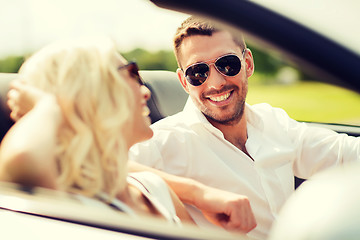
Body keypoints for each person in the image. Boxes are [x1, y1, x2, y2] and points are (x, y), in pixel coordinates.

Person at [129, 16, 360, 239]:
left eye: (227, 64)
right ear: (183, 82)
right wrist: (199, 195)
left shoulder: (273, 120)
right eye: (198, 72)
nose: (216, 83)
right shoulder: (164, 141)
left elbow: (344, 153)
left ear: (247, 63)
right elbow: (105, 169)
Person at [0, 37, 194, 225]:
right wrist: (47, 106)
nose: (146, 91)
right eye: (131, 73)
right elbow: (23, 160)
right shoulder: (68, 208)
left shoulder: (154, 187)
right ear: (91, 96)